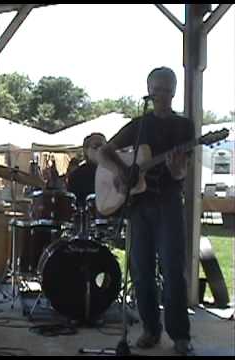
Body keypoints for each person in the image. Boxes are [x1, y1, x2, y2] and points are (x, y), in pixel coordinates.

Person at [98, 67, 194, 355]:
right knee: (140, 271)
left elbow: (181, 172)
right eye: (157, 89)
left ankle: (179, 335)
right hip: (138, 206)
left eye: (167, 89)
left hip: (168, 202)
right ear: (149, 91)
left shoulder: (184, 127)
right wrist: (121, 170)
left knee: (173, 270)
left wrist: (176, 168)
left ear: (174, 92)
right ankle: (151, 329)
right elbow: (104, 150)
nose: (162, 94)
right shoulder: (138, 125)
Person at [66, 132, 107, 208]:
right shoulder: (77, 176)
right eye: (96, 146)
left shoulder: (114, 171)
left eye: (104, 146)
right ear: (86, 151)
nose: (100, 150)